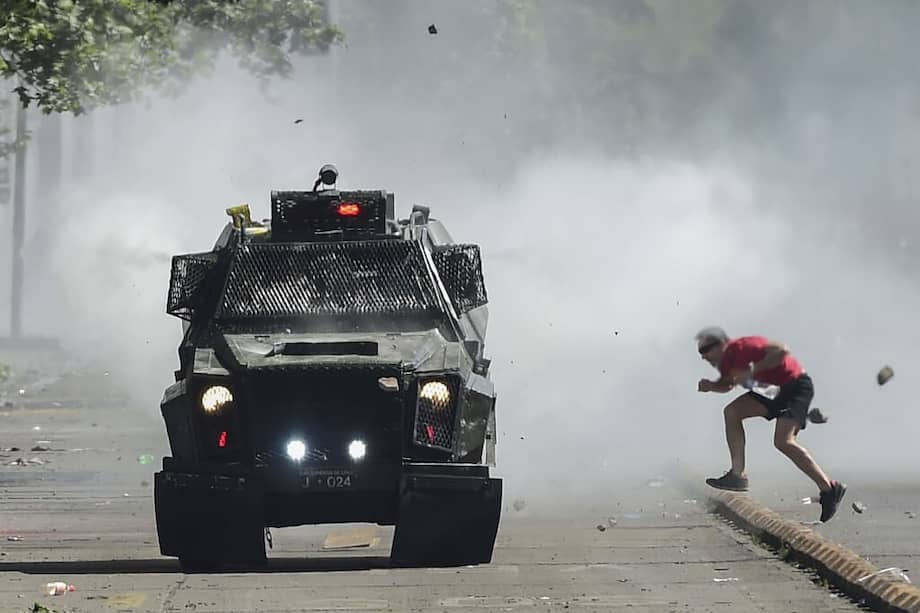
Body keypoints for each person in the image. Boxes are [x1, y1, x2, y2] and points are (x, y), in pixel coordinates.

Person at [694, 326, 846, 523]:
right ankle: (737, 475)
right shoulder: (725, 363)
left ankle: (830, 489)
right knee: (732, 412)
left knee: (783, 442)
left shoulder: (744, 346)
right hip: (771, 392)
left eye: (705, 350)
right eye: (700, 353)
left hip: (794, 386)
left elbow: (782, 350)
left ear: (721, 345)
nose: (703, 357)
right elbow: (728, 384)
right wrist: (711, 386)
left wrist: (753, 370)